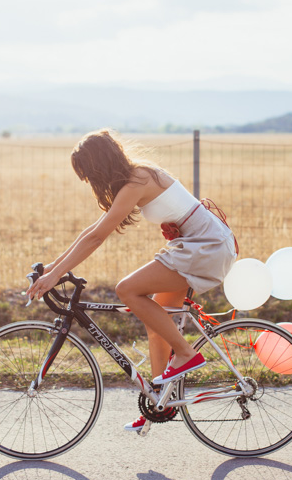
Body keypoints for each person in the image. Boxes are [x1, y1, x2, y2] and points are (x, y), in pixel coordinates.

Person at [26, 128, 237, 432]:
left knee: (127, 289)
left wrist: (56, 275)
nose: (91, 184)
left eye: (89, 176)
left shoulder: (139, 179)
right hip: (197, 245)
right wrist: (52, 270)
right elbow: (91, 231)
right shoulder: (136, 178)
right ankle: (157, 403)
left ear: (100, 165)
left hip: (206, 246)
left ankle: (187, 354)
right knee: (157, 327)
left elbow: (98, 236)